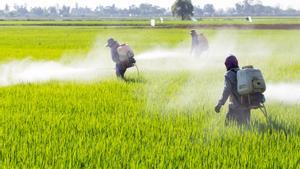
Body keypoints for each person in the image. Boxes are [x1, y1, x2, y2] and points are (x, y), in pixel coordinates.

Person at [214, 55, 251, 126]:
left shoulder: (228, 75)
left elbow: (226, 91)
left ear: (228, 65)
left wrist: (219, 104)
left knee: (227, 127)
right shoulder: (242, 72)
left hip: (235, 106)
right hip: (247, 104)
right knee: (246, 127)